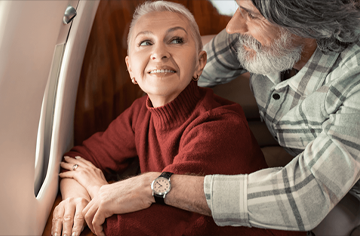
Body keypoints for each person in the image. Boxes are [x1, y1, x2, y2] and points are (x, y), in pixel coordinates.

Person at [54, 0, 360, 235]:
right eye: (145, 43)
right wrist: (76, 198)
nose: (233, 26)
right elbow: (182, 70)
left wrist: (131, 188)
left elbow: (300, 198)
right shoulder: (251, 39)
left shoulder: (354, 79)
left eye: (251, 13)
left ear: (304, 22)